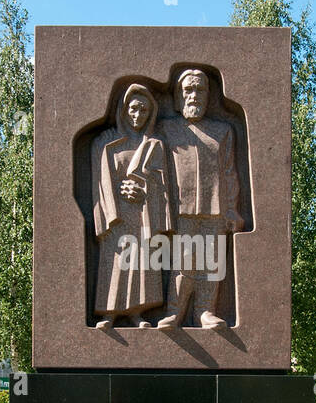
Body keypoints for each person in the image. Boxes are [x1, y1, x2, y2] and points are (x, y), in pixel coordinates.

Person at [157, 68, 244, 329]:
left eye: (200, 90)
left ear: (208, 96)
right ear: (178, 96)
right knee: (183, 262)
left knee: (211, 264)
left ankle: (206, 312)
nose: (194, 96)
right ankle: (175, 313)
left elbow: (229, 172)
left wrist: (232, 208)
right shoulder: (166, 128)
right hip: (180, 209)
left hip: (215, 209)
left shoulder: (223, 130)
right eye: (188, 90)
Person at [91, 83, 172, 328]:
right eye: (134, 109)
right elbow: (100, 178)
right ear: (124, 110)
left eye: (144, 110)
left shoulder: (153, 144)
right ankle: (110, 314)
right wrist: (118, 191)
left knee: (140, 265)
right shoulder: (107, 142)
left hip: (143, 214)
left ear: (150, 114)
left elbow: (163, 183)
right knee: (114, 263)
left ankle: (137, 313)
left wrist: (145, 189)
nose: (138, 115)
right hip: (116, 214)